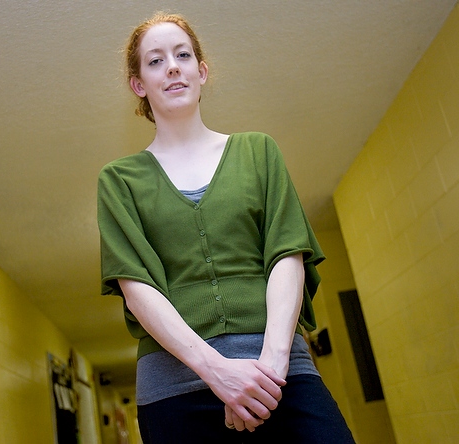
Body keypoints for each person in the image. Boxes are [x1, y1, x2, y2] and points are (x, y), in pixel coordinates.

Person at [97, 12, 355, 444]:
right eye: (155, 60)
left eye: (182, 54)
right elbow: (136, 286)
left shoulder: (258, 151)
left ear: (201, 71)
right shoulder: (119, 180)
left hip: (280, 376)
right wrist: (217, 372)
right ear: (138, 85)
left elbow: (286, 254)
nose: (173, 66)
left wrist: (271, 369)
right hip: (175, 393)